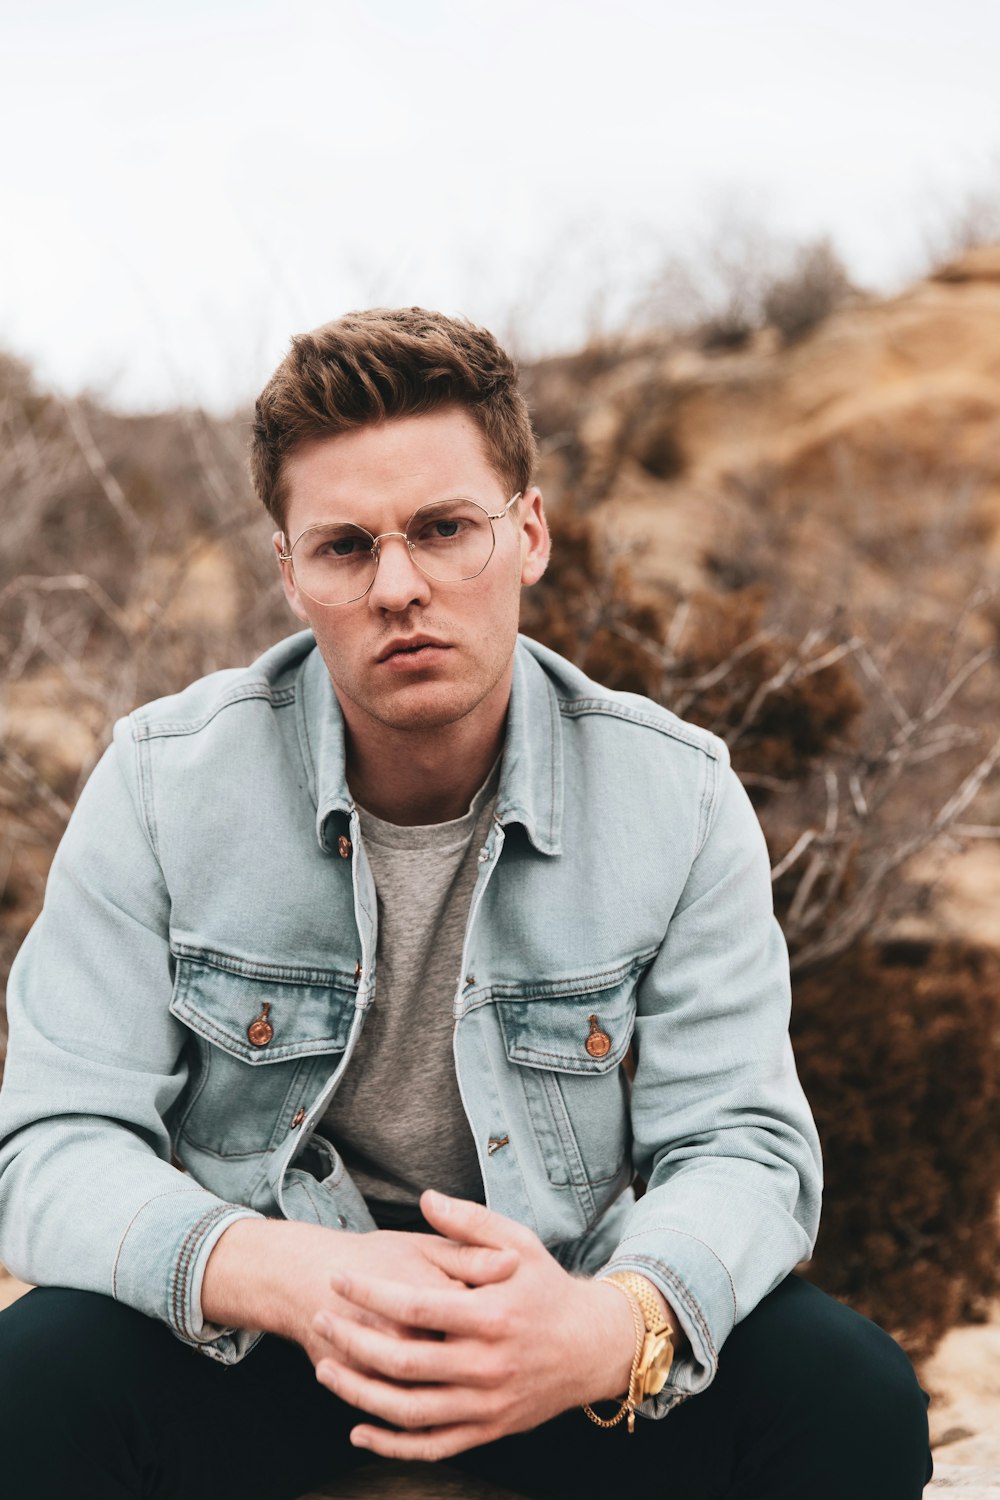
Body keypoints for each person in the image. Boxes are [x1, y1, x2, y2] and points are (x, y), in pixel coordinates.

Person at [0, 308, 931, 1500]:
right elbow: (51, 1143)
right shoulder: (159, 783)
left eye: (446, 530)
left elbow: (739, 1143)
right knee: (26, 1383)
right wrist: (269, 1270)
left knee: (846, 1394)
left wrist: (610, 1328)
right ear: (289, 571)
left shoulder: (676, 794)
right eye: (345, 547)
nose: (400, 586)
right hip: (260, 1327)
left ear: (529, 532)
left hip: (546, 1323)